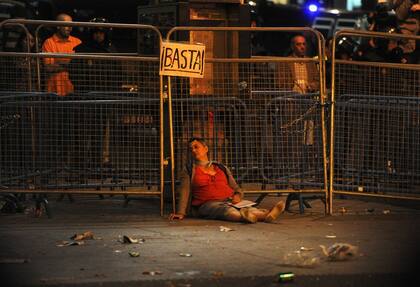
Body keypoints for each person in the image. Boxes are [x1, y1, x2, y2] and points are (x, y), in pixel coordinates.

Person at [169, 137, 286, 223]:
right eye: (191, 149)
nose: (193, 150)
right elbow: (184, 192)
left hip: (229, 199)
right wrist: (181, 212)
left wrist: (238, 195)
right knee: (227, 210)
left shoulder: (221, 167)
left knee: (247, 208)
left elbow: (235, 187)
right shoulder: (189, 170)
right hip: (207, 204)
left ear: (205, 149)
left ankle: (258, 215)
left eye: (196, 147)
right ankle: (262, 215)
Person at [42, 13, 81, 96]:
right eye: (66, 24)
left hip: (73, 91)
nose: (70, 27)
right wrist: (71, 64)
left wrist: (59, 63)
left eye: (71, 25)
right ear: (58, 26)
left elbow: (81, 67)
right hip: (53, 92)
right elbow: (49, 67)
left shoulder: (78, 42)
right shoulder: (48, 43)